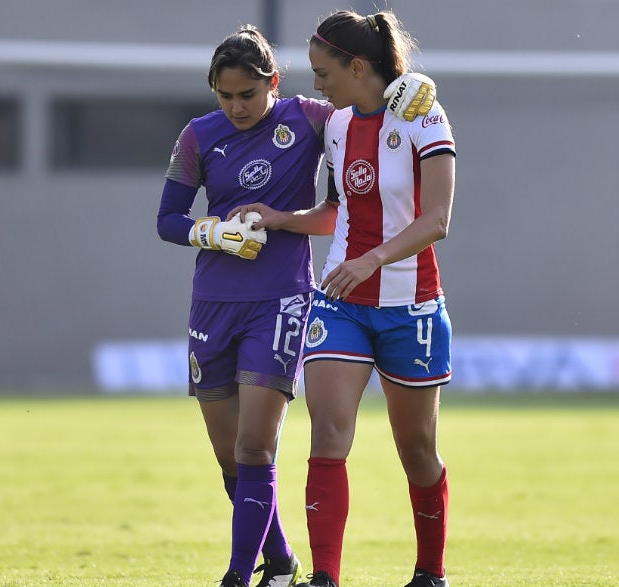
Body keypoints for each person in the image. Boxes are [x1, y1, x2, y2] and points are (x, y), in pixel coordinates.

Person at [155, 25, 436, 587]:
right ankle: (280, 559)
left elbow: (372, 103)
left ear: (273, 85)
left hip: (283, 299)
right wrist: (210, 234)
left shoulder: (310, 119)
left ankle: (239, 573)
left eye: (248, 95)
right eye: (225, 96)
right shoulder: (196, 136)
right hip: (212, 302)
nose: (236, 107)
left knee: (255, 444)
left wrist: (416, 84)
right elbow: (167, 220)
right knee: (228, 453)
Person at [229, 10, 455, 587]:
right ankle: (325, 577)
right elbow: (337, 211)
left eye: (323, 73)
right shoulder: (336, 124)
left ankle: (431, 573)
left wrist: (374, 258)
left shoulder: (424, 114)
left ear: (359, 66)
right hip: (339, 302)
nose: (317, 84)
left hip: (412, 307)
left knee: (417, 450)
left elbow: (436, 220)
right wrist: (280, 218)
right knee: (328, 431)